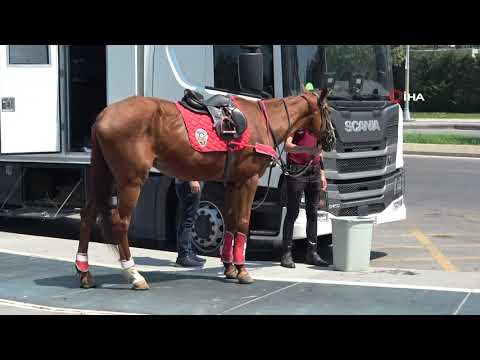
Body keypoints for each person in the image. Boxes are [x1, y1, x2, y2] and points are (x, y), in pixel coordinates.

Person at [281, 124, 329, 268]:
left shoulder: (317, 125)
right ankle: (286, 253)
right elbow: (287, 146)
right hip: (297, 171)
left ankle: (312, 253)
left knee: (313, 213)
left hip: (313, 171)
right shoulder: (296, 124)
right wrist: (306, 150)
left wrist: (322, 173)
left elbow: (319, 152)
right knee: (292, 212)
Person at [175, 179, 206, 267]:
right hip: (188, 183)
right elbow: (187, 165)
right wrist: (192, 179)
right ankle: (183, 256)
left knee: (188, 221)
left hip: (188, 182)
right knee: (186, 221)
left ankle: (188, 253)